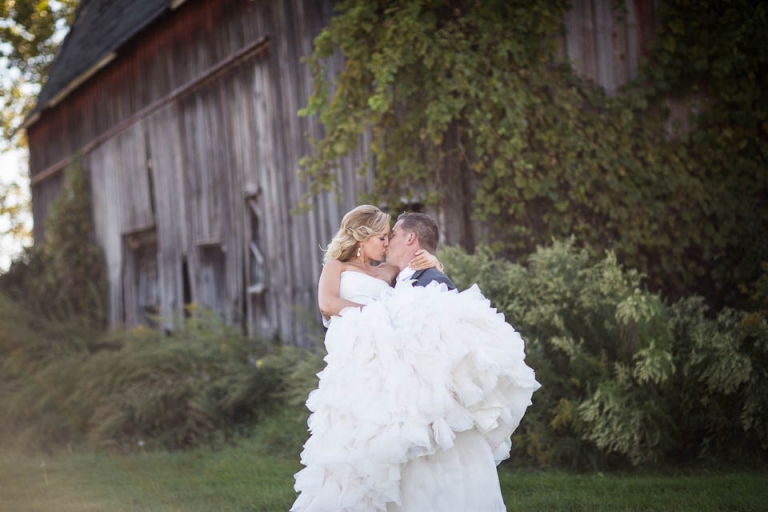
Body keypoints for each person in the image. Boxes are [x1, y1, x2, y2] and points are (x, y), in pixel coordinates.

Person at [292, 205, 540, 512]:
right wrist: (374, 314)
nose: (386, 243)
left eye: (390, 236)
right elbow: (327, 303)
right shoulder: (337, 266)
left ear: (409, 239)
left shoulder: (390, 274)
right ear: (362, 237)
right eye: (382, 236)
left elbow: (423, 294)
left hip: (391, 367)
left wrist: (436, 262)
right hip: (357, 357)